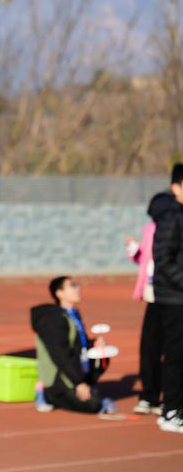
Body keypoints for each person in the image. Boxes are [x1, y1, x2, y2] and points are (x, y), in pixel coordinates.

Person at [31, 277, 115, 415]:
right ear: (59, 293)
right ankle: (46, 393)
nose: (78, 288)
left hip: (74, 368)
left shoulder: (73, 314)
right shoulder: (54, 319)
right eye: (72, 286)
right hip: (58, 376)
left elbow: (77, 344)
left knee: (102, 355)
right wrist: (78, 382)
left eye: (76, 285)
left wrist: (93, 343)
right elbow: (61, 355)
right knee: (94, 405)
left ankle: (85, 387)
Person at [125, 192, 175, 416]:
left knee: (173, 351)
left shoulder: (175, 225)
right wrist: (133, 248)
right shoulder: (151, 230)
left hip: (175, 296)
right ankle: (150, 396)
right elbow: (146, 259)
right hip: (155, 296)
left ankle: (171, 400)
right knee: (150, 348)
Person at [153, 163, 183, 433]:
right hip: (174, 299)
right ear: (176, 187)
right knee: (175, 354)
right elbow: (163, 259)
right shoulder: (171, 217)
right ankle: (170, 411)